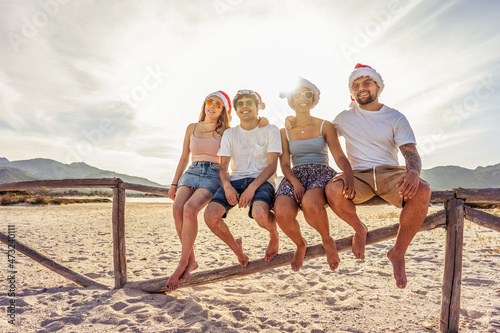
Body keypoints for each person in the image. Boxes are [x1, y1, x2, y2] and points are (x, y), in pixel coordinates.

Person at [325, 63, 432, 289]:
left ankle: (398, 253)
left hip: (390, 173)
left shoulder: (395, 116)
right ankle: (359, 229)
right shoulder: (344, 118)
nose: (361, 88)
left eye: (366, 83)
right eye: (356, 85)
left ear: (377, 87)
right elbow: (321, 136)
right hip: (358, 176)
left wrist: (413, 172)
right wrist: (343, 171)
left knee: (422, 190)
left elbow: (410, 152)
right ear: (351, 92)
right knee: (333, 190)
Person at [166, 91, 270, 291]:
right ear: (204, 104)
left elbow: (246, 131)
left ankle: (182, 263)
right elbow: (183, 157)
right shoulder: (191, 127)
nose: (212, 106)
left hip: (213, 173)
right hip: (192, 171)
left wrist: (262, 120)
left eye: (218, 104)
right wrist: (174, 183)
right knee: (177, 208)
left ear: (223, 110)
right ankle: (191, 261)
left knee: (190, 209)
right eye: (209, 102)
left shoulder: (225, 130)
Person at [274, 78, 355, 272]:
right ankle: (301, 244)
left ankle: (327, 240)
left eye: (307, 95)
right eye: (298, 95)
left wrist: (349, 172)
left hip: (320, 171)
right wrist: (294, 182)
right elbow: (284, 164)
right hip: (295, 175)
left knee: (310, 203)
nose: (303, 99)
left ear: (313, 100)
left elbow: (339, 155)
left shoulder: (325, 126)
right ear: (292, 100)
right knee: (281, 211)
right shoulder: (284, 131)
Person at [204, 90, 282, 267]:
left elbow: (272, 166)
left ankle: (274, 234)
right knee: (210, 216)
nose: (245, 106)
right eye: (240, 103)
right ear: (236, 110)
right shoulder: (230, 134)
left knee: (260, 214)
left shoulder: (270, 130)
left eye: (249, 103)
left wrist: (252, 188)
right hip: (236, 180)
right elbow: (223, 168)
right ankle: (237, 249)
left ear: (257, 108)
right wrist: (227, 186)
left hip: (262, 180)